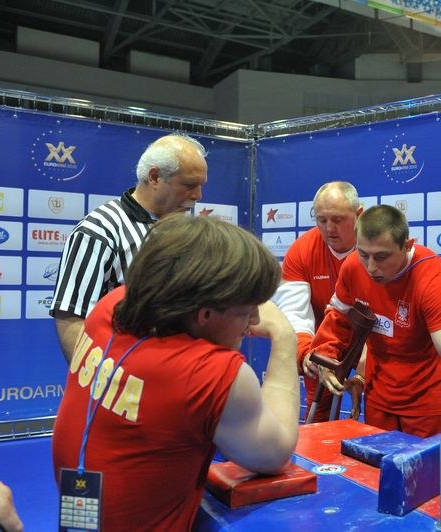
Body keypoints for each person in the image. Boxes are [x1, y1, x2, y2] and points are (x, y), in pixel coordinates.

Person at [52, 214, 300, 530]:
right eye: (247, 309)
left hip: (81, 516)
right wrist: (284, 335)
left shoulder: (111, 306)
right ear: (205, 313)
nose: (254, 320)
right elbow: (275, 454)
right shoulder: (209, 373)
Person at [309, 204, 441, 445]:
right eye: (364, 254)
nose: (371, 267)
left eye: (382, 257)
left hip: (427, 406)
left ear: (407, 245)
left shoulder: (431, 275)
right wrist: (325, 356)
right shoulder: (354, 266)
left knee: (429, 482)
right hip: (378, 400)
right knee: (379, 479)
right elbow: (339, 319)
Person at [50, 133, 208, 363]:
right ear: (154, 177)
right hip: (122, 381)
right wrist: (101, 381)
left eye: (201, 185)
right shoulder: (100, 230)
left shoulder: (184, 230)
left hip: (173, 375)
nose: (198, 196)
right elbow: (72, 318)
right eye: (189, 185)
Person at [272, 181, 363, 422]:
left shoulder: (375, 248)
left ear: (358, 215)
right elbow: (294, 315)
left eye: (338, 219)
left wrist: (365, 367)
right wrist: (307, 355)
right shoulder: (301, 250)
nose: (329, 228)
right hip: (323, 343)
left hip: (371, 343)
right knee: (318, 410)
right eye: (321, 220)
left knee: (378, 411)